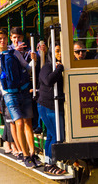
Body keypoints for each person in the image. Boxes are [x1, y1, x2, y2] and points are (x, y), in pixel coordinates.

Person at [0, 29, 42, 168]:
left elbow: (27, 68)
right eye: (0, 39)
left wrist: (34, 61)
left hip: (23, 91)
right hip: (9, 94)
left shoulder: (15, 53)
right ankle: (25, 155)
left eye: (4, 38)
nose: (2, 41)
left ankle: (32, 153)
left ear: (7, 39)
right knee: (19, 123)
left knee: (28, 122)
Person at [37, 44, 67, 175]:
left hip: (57, 105)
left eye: (61, 51)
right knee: (57, 135)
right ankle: (51, 164)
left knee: (50, 135)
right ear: (51, 53)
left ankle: (48, 163)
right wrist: (59, 68)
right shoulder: (47, 67)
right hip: (48, 106)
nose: (60, 53)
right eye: (57, 51)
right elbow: (48, 81)